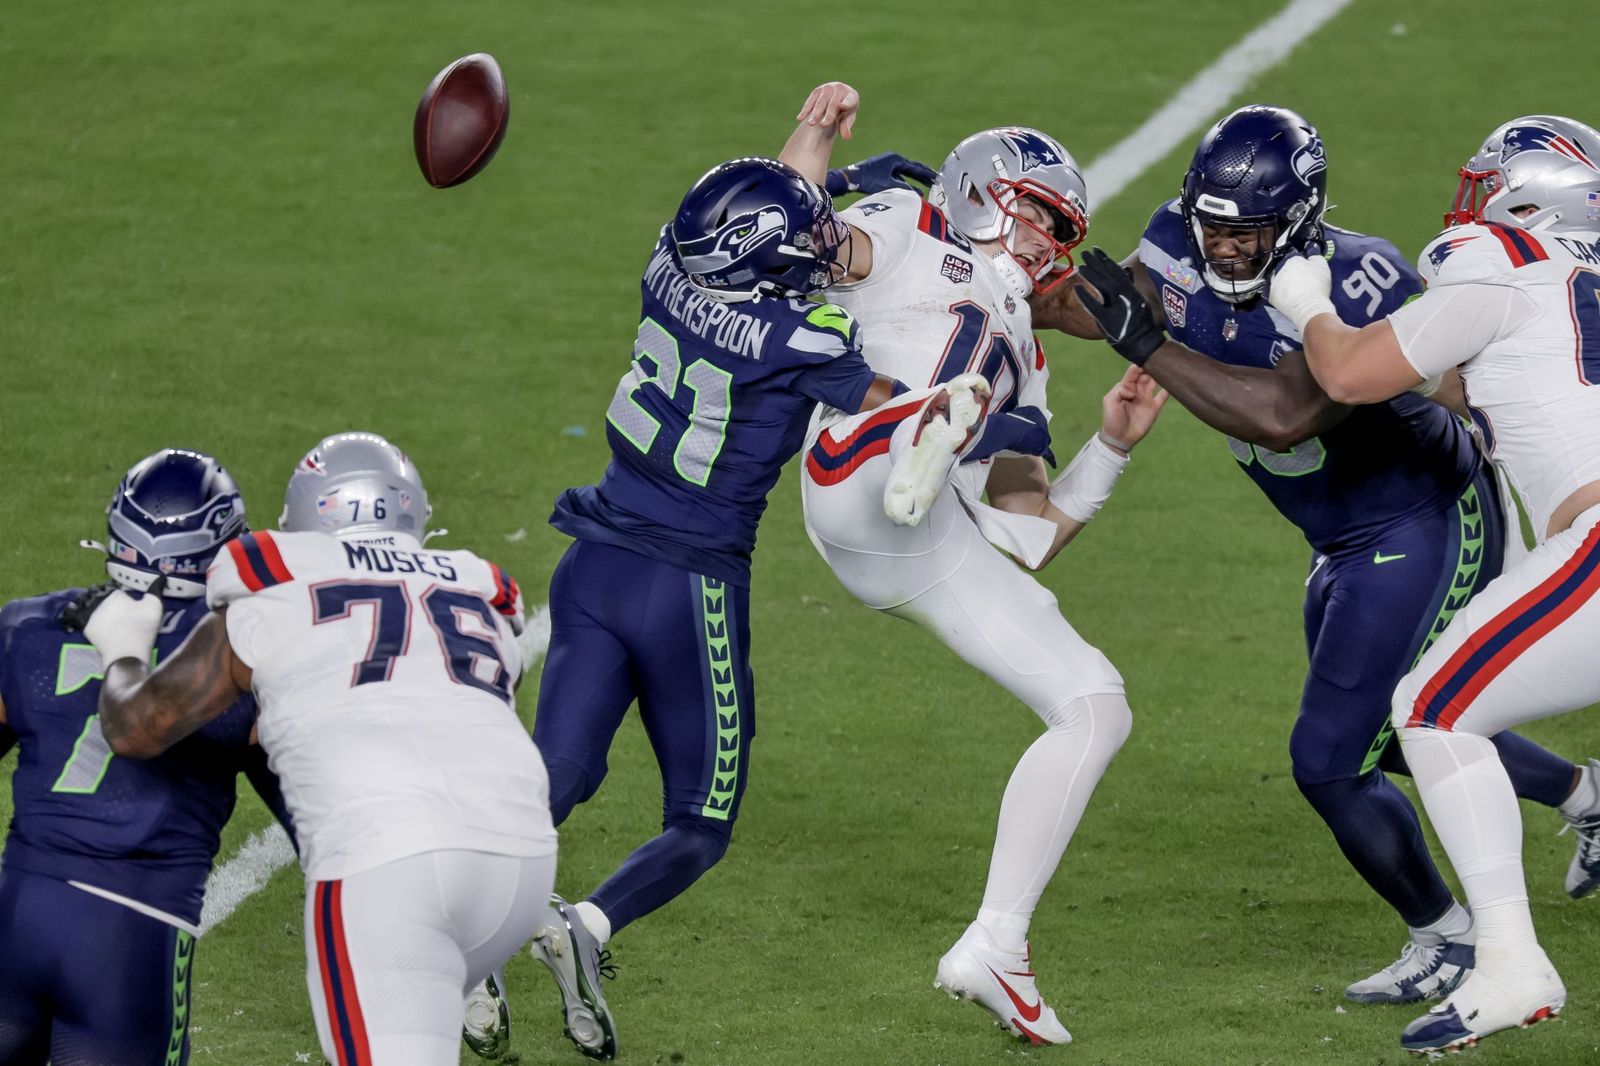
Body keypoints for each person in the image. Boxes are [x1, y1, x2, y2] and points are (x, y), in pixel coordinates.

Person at [1045, 105, 1600, 1006]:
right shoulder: (1173, 239)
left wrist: (1144, 345)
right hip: (1340, 533)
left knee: (1332, 756)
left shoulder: (1359, 274)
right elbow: (1115, 305)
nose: (1223, 248)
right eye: (1212, 227)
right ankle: (1587, 796)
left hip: (1423, 518)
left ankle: (1451, 940)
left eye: (1246, 232)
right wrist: (1001, 296)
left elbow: (1287, 413)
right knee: (1389, 736)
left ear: (1296, 220)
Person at [528, 154, 969, 1058]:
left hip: (594, 560)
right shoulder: (804, 339)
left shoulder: (665, 263)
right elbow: (899, 413)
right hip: (686, 588)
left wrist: (828, 171)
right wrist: (987, 407)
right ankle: (591, 925)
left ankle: (452, 944)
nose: (819, 247)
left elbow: (728, 225)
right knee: (700, 820)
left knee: (553, 780)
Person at [782, 82, 1168, 1046]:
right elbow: (790, 233)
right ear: (979, 190)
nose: (1047, 243)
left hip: (925, 540)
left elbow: (1030, 532)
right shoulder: (910, 223)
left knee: (1096, 704)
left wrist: (1111, 448)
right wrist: (812, 137)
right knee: (924, 406)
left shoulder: (1027, 353)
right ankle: (921, 426)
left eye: (1060, 230)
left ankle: (997, 943)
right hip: (849, 473)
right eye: (1037, 215)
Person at [1265, 114, 1600, 1053]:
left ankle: (1510, 964)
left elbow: (1352, 372)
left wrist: (1302, 299)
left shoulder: (1501, 254)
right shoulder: (1575, 278)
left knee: (1430, 711)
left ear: (1524, 195)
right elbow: (1491, 384)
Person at [80, 432, 562, 1066]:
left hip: (387, 860)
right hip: (522, 862)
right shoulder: (481, 586)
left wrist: (122, 647)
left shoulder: (272, 573)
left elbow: (137, 728)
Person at [0, 448, 295, 1065]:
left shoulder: (26, 627)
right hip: (128, 940)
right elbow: (314, 822)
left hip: (15, 915)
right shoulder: (236, 659)